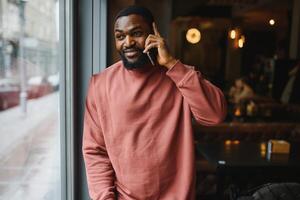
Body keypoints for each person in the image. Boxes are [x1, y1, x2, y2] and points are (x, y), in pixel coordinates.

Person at [82, 6, 226, 200]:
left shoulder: (180, 76)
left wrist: (172, 64)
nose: (128, 42)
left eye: (137, 33)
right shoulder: (100, 84)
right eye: (120, 36)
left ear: (154, 34)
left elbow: (215, 115)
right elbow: (95, 151)